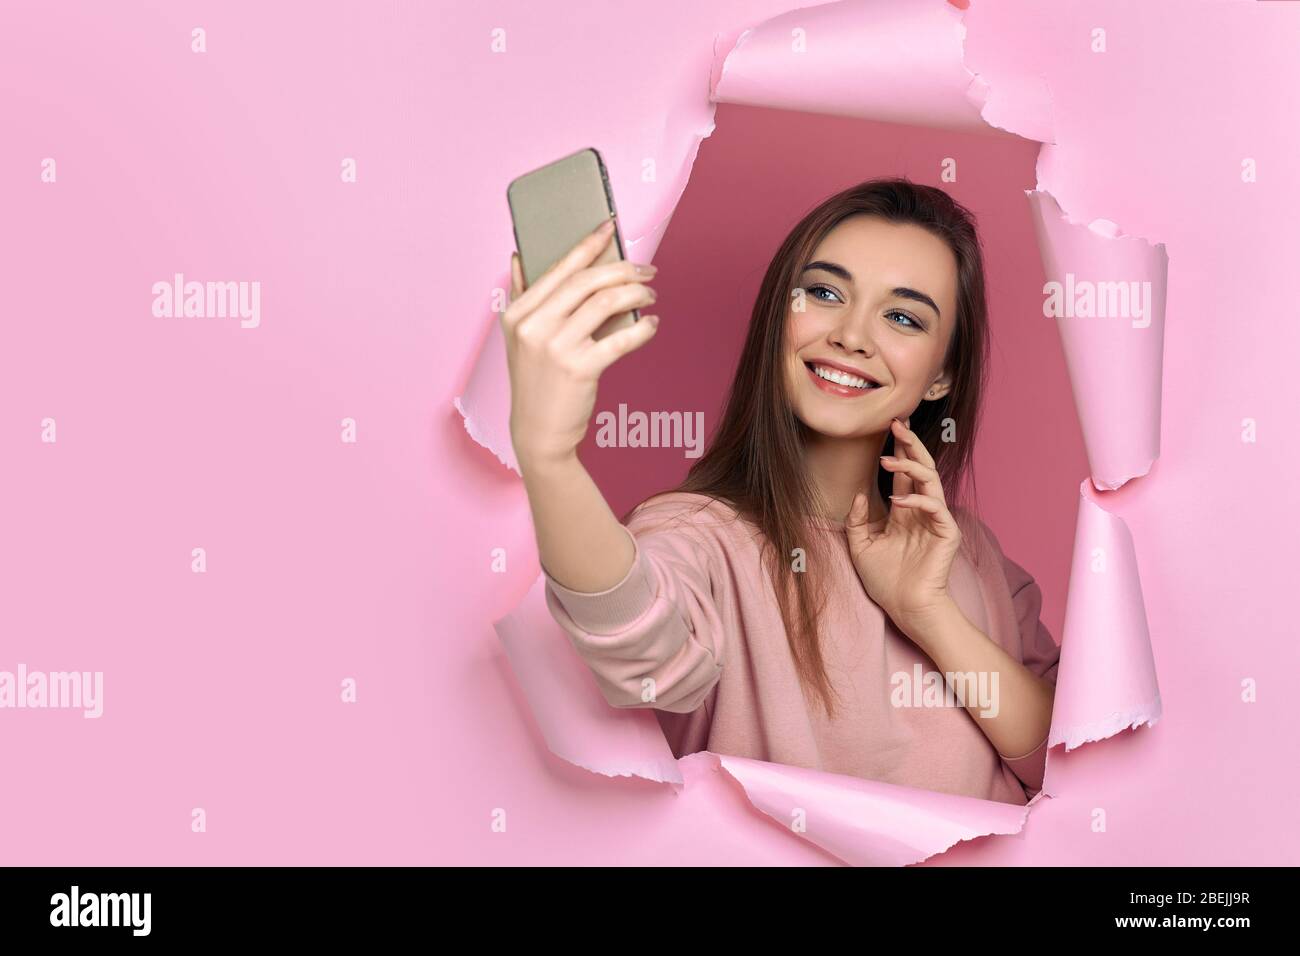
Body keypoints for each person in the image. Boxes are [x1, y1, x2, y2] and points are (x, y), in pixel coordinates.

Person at [501, 178, 1059, 805]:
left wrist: (928, 612)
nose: (852, 335)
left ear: (942, 376)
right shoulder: (697, 536)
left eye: (902, 316)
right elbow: (640, 651)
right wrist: (549, 459)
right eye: (823, 292)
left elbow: (1069, 767)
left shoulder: (970, 554)